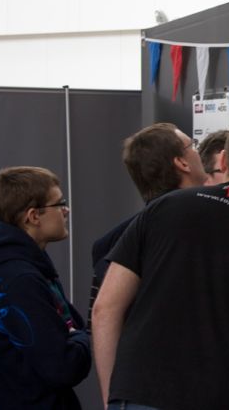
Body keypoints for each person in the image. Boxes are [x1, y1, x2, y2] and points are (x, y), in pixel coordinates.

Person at [92, 116, 229, 410]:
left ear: (223, 160)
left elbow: (105, 308)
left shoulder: (165, 208)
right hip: (227, 396)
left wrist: (113, 396)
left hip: (142, 391)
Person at [0, 167, 91, 409]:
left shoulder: (6, 270)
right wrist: (83, 338)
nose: (66, 210)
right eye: (60, 203)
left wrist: (74, 336)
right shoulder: (21, 281)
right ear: (33, 216)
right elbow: (62, 366)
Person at [87, 123, 208, 329]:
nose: (199, 153)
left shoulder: (111, 242)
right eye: (193, 145)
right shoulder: (201, 227)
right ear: (182, 163)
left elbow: (99, 322)